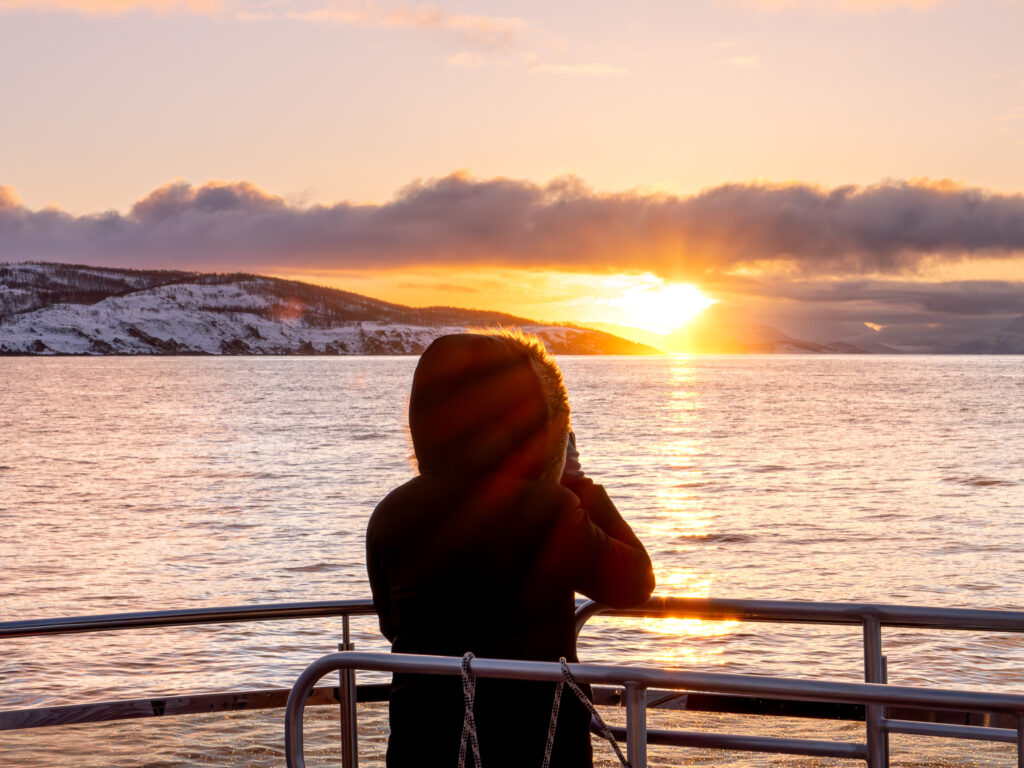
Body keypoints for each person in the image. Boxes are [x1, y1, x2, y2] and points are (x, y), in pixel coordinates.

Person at [366, 330, 655, 768]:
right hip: (535, 742)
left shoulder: (389, 514)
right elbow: (635, 580)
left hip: (422, 741)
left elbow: (392, 625)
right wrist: (576, 483)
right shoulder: (549, 510)